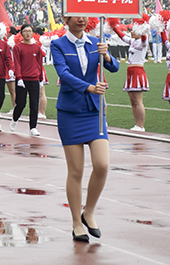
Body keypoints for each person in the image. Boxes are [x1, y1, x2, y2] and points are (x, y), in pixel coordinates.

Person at [51, 15, 119, 242]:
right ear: (66, 18)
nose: (81, 19)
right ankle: (76, 222)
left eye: (84, 16)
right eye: (76, 16)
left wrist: (106, 55)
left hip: (94, 111)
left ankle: (88, 212)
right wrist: (89, 87)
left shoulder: (95, 42)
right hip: (70, 112)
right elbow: (63, 74)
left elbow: (114, 67)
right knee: (76, 171)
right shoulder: (58, 44)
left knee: (102, 165)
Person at [109, 16, 150, 132]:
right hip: (130, 72)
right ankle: (137, 124)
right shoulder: (132, 41)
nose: (131, 32)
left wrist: (143, 30)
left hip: (138, 71)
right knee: (132, 101)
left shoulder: (143, 42)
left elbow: (144, 37)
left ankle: (141, 126)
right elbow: (122, 36)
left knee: (138, 100)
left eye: (134, 30)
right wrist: (114, 27)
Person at [12, 24, 45, 136]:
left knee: (34, 104)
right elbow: (17, 63)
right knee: (21, 103)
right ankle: (15, 119)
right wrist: (19, 78)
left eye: (30, 31)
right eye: (25, 31)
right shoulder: (17, 47)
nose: (28, 33)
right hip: (22, 79)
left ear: (32, 33)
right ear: (21, 33)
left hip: (34, 78)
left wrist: (40, 78)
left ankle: (33, 127)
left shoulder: (36, 47)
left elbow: (39, 63)